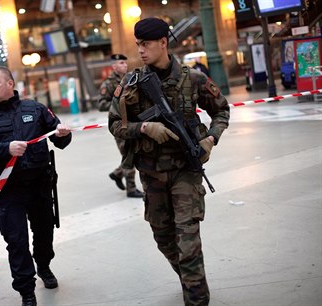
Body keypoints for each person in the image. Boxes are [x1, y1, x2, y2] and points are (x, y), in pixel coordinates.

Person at [108, 18, 230, 306]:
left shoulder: (194, 79)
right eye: (137, 44)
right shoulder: (130, 82)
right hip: (151, 174)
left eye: (146, 44)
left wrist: (210, 139)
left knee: (188, 241)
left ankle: (197, 298)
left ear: (163, 43)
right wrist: (145, 128)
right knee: (164, 238)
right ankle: (189, 278)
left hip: (186, 171)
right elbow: (114, 123)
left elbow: (221, 111)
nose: (140, 50)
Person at [0, 66, 72, 306]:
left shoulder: (35, 109)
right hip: (9, 191)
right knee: (16, 241)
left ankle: (44, 266)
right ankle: (27, 291)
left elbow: (59, 139)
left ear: (10, 84)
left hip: (39, 186)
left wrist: (63, 134)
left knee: (44, 233)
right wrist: (6, 149)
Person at [98, 54, 143, 198]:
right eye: (121, 63)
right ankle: (131, 189)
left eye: (125, 62)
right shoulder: (108, 84)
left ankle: (118, 173)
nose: (124, 65)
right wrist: (118, 104)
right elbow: (101, 104)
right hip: (119, 123)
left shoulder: (131, 78)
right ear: (114, 66)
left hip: (133, 121)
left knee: (133, 153)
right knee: (128, 153)